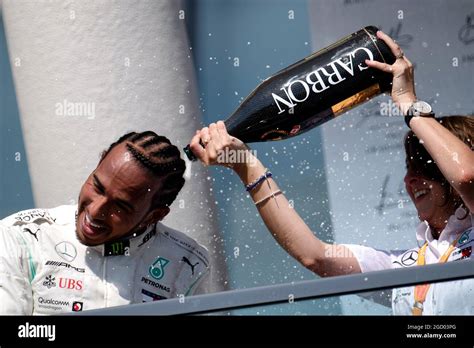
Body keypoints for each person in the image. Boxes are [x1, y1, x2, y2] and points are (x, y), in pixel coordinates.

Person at [189, 31, 474, 315]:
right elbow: (315, 256)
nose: (411, 180)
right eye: (409, 167)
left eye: (427, 168)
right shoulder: (405, 267)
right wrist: (245, 163)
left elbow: (466, 176)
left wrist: (407, 102)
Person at [0, 131, 210, 314]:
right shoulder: (21, 235)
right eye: (98, 187)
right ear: (99, 164)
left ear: (154, 216)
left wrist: (241, 165)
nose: (95, 210)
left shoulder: (189, 261)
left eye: (120, 206)